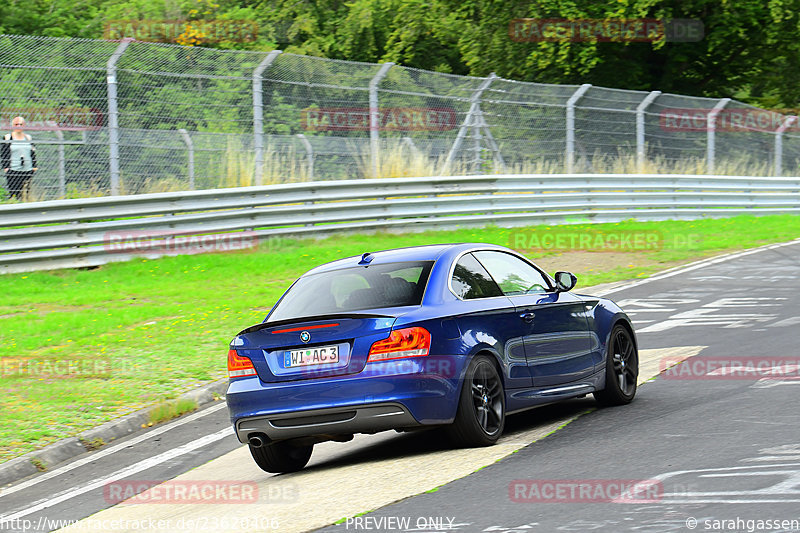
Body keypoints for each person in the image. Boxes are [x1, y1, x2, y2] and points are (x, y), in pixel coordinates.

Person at [2, 116, 38, 200]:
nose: (18, 126)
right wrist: (6, 167)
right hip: (13, 170)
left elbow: (32, 152)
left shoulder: (28, 137)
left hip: (27, 169)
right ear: (12, 125)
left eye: (21, 124)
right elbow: (3, 153)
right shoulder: (7, 137)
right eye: (16, 124)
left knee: (26, 194)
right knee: (14, 194)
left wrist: (34, 166)